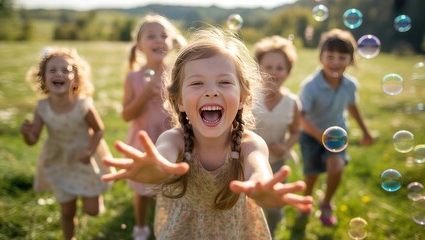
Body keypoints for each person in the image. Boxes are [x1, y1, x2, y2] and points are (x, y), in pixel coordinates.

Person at [102, 27, 313, 239]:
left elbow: (258, 169)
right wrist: (156, 168)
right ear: (179, 101)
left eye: (224, 82)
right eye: (197, 83)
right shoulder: (174, 140)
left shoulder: (250, 144)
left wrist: (261, 187)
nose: (211, 91)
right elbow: (162, 158)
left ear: (243, 97)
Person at [20, 47, 114, 240]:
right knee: (67, 211)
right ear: (43, 78)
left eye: (66, 70)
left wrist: (89, 151)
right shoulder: (42, 108)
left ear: (76, 78)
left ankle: (95, 199)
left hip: (84, 161)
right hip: (60, 162)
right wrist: (27, 134)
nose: (59, 74)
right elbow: (33, 140)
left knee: (92, 211)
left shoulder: (83, 105)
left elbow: (99, 130)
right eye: (53, 70)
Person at [298, 28, 374, 226]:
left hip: (337, 134)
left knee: (336, 168)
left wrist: (365, 131)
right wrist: (317, 134)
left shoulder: (350, 85)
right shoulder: (311, 86)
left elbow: (352, 107)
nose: (336, 62)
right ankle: (306, 201)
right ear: (320, 57)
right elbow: (300, 117)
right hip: (311, 134)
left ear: (351, 59)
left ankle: (326, 202)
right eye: (330, 56)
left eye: (342, 57)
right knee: (311, 175)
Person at [122, 14, 186, 240]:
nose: (159, 40)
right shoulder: (134, 78)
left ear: (172, 42)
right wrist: (145, 94)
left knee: (169, 188)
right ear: (139, 45)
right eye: (151, 36)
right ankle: (141, 226)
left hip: (171, 139)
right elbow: (126, 114)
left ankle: (167, 226)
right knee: (141, 189)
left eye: (164, 35)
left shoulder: (177, 75)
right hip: (143, 141)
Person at [252, 35, 301, 238]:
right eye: (268, 67)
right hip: (251, 162)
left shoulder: (292, 102)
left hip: (277, 162)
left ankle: (269, 234)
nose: (273, 72)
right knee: (251, 204)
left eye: (280, 68)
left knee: (273, 207)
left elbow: (296, 131)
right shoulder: (250, 98)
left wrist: (286, 146)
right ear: (258, 69)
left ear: (288, 72)